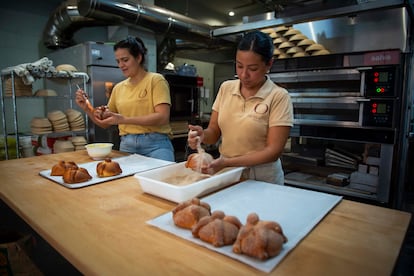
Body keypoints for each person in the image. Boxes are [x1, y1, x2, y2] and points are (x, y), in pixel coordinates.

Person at [187, 30, 293, 184]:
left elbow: (273, 152)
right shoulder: (226, 88)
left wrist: (227, 162)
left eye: (253, 68)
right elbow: (214, 131)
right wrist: (202, 136)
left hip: (262, 178)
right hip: (227, 174)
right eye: (239, 66)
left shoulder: (278, 96)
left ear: (269, 64)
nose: (244, 75)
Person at [75, 35, 175, 161]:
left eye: (125, 60)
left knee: (163, 179)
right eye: (118, 61)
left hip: (156, 145)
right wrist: (87, 107)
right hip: (127, 146)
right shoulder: (119, 88)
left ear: (138, 57)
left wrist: (124, 119)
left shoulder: (155, 80)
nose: (121, 65)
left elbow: (162, 117)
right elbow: (105, 123)